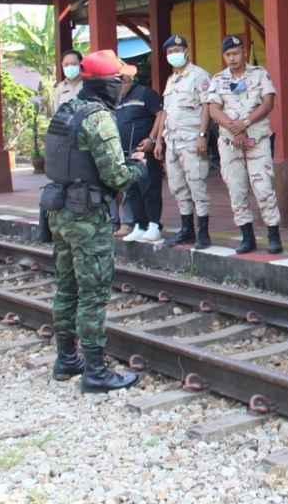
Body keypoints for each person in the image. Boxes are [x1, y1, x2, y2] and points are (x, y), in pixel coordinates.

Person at [43, 50, 148, 392]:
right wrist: (138, 168)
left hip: (59, 211)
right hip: (87, 216)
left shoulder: (65, 111)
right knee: (92, 293)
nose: (124, 86)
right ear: (109, 84)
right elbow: (116, 176)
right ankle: (96, 372)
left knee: (67, 287)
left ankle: (66, 360)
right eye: (121, 81)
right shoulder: (99, 118)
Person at [206, 35, 282, 254]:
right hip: (230, 142)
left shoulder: (259, 74)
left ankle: (273, 235)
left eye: (236, 53)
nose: (232, 58)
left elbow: (268, 103)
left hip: (257, 140)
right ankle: (247, 236)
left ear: (244, 53)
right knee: (237, 190)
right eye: (228, 54)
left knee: (264, 188)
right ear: (224, 56)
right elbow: (213, 108)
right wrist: (233, 127)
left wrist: (245, 123)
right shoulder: (218, 79)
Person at [152, 35, 213, 248]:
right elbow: (166, 112)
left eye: (177, 50)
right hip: (173, 141)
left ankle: (203, 232)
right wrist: (159, 140)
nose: (173, 55)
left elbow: (207, 106)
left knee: (196, 184)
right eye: (170, 52)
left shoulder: (199, 75)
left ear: (186, 51)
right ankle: (186, 229)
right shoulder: (171, 80)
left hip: (192, 140)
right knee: (177, 186)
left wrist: (203, 135)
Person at [115, 66, 164, 243]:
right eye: (117, 79)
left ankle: (154, 225)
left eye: (123, 79)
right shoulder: (117, 99)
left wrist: (152, 139)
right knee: (132, 190)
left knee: (149, 188)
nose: (120, 82)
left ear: (130, 78)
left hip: (143, 151)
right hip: (125, 153)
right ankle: (140, 225)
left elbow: (161, 114)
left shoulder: (145, 93)